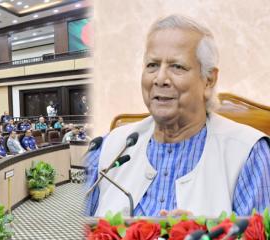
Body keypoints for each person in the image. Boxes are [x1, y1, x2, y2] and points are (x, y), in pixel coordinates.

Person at [86, 15, 270, 217]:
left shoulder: (249, 154)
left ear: (208, 80)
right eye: (152, 65)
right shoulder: (110, 148)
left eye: (177, 67)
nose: (160, 78)